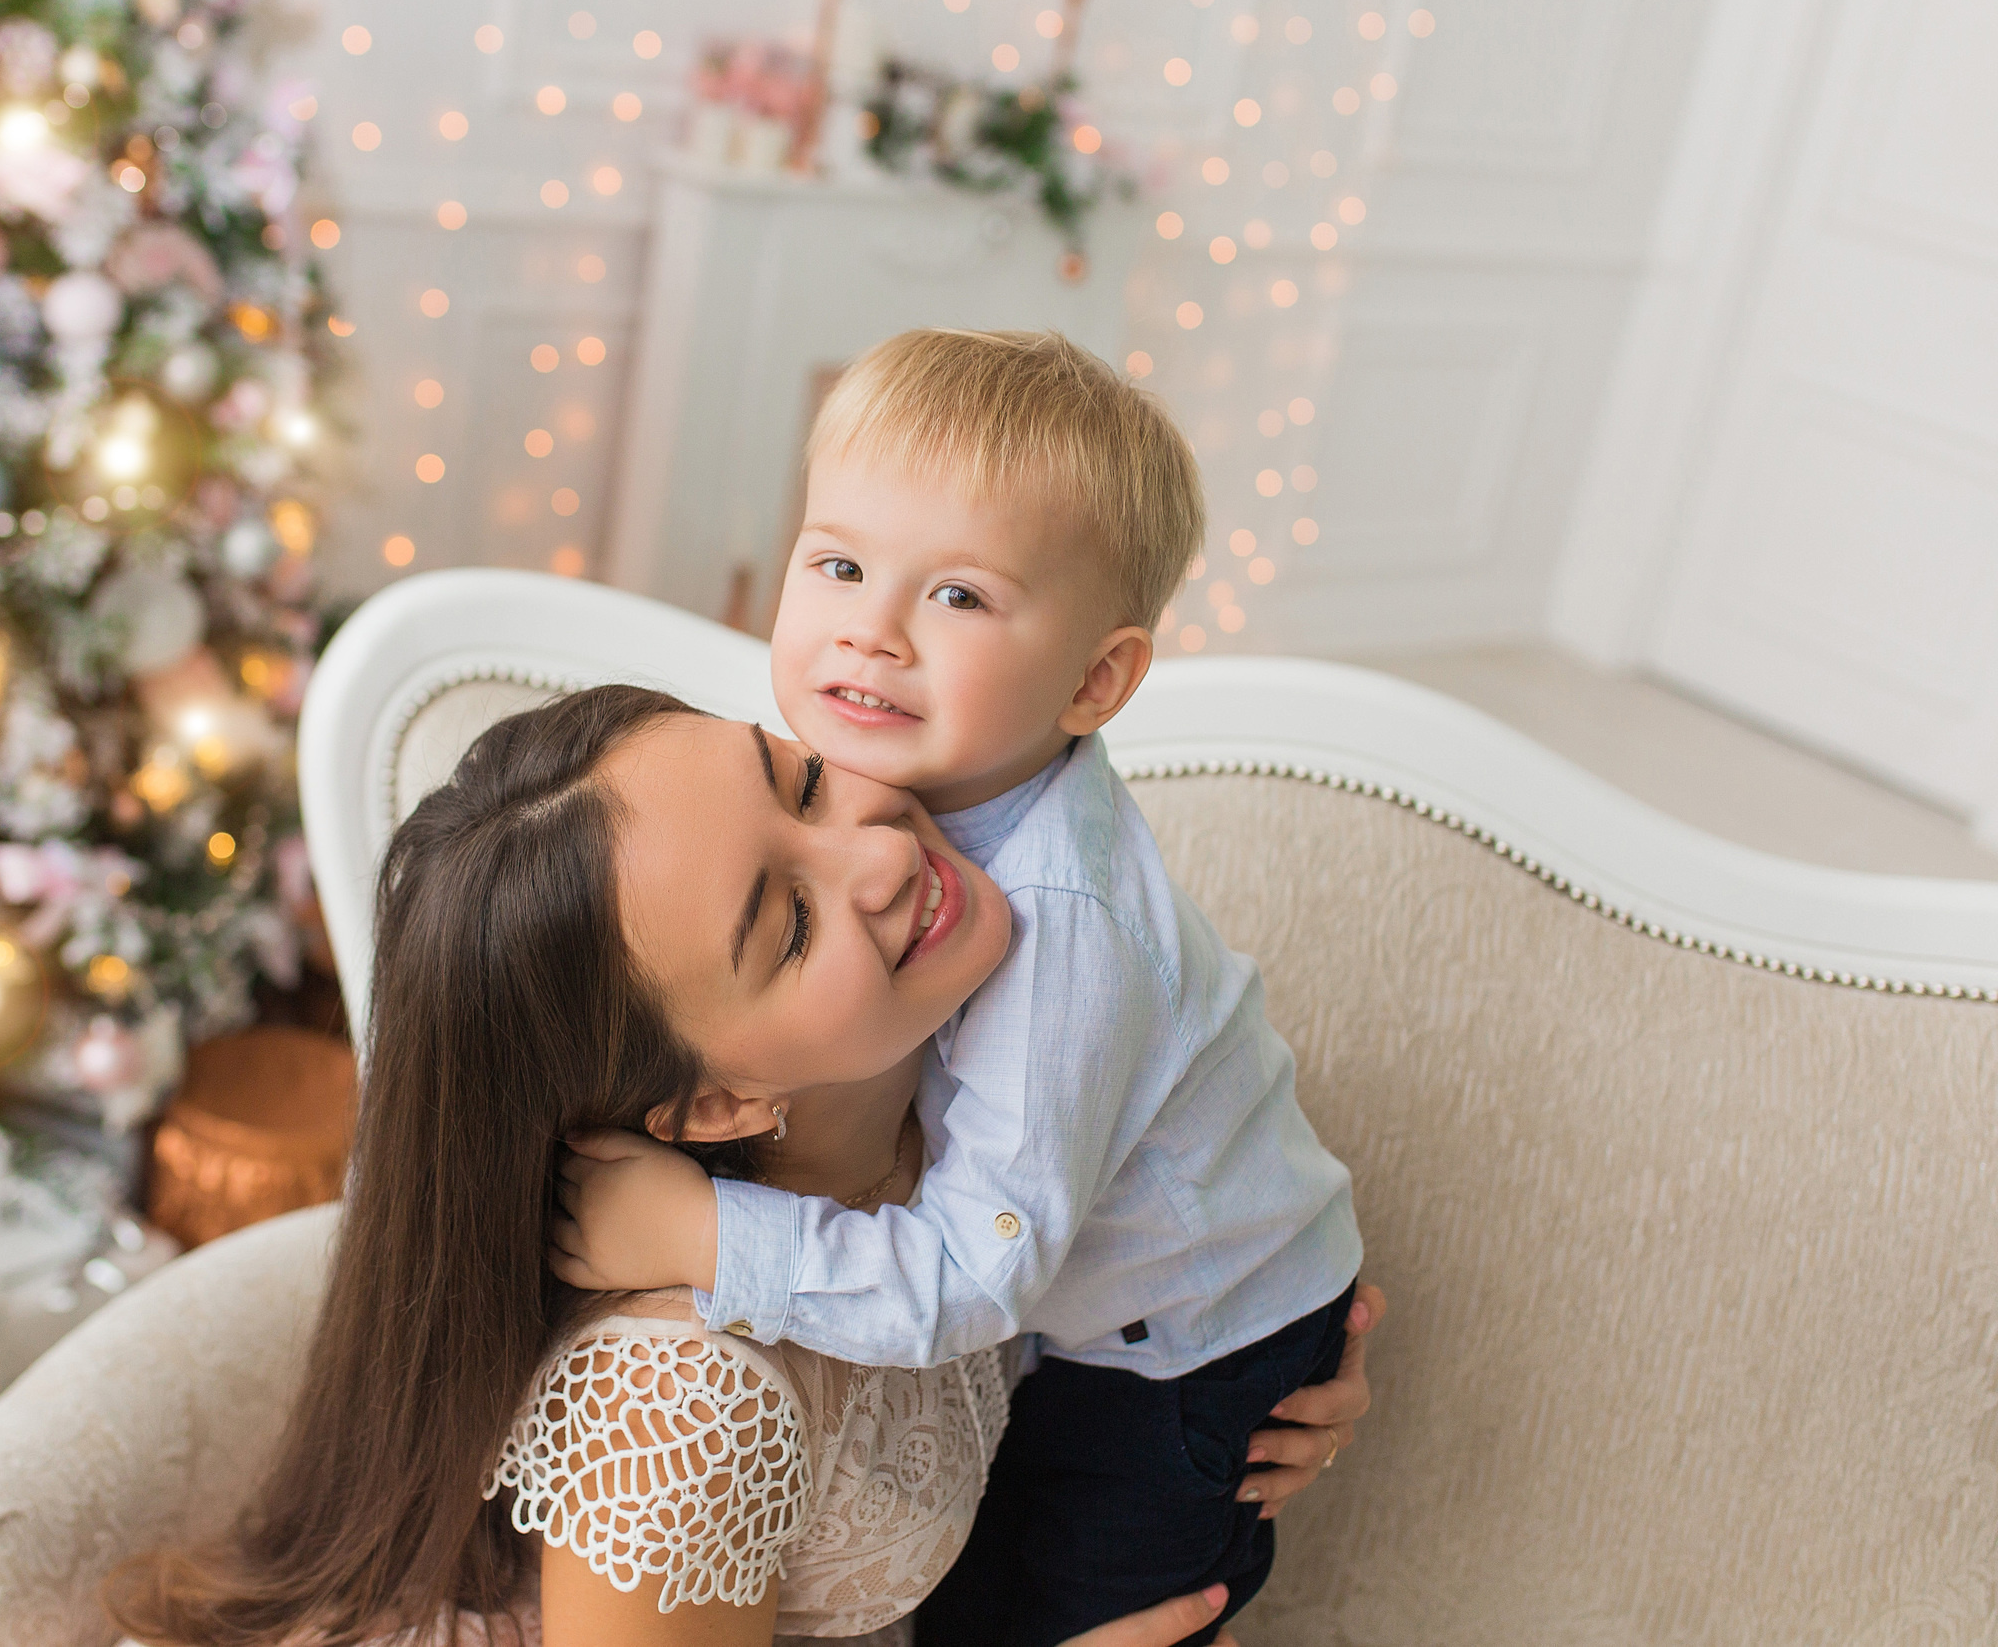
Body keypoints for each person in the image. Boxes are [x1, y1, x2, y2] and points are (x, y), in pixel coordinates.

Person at [107, 685, 1382, 1647]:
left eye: (803, 782)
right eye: (790, 924)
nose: (885, 852)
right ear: (714, 1099)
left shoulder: (995, 1090)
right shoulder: (681, 1410)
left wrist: (1236, 1370)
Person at [552, 330, 1364, 1647]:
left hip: (1182, 1347)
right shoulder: (820, 787)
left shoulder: (1058, 926)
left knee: (1038, 1605)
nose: (869, 629)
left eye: (961, 597)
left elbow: (972, 1279)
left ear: (1096, 680)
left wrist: (708, 1237)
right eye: (839, 564)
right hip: (1153, 1291)